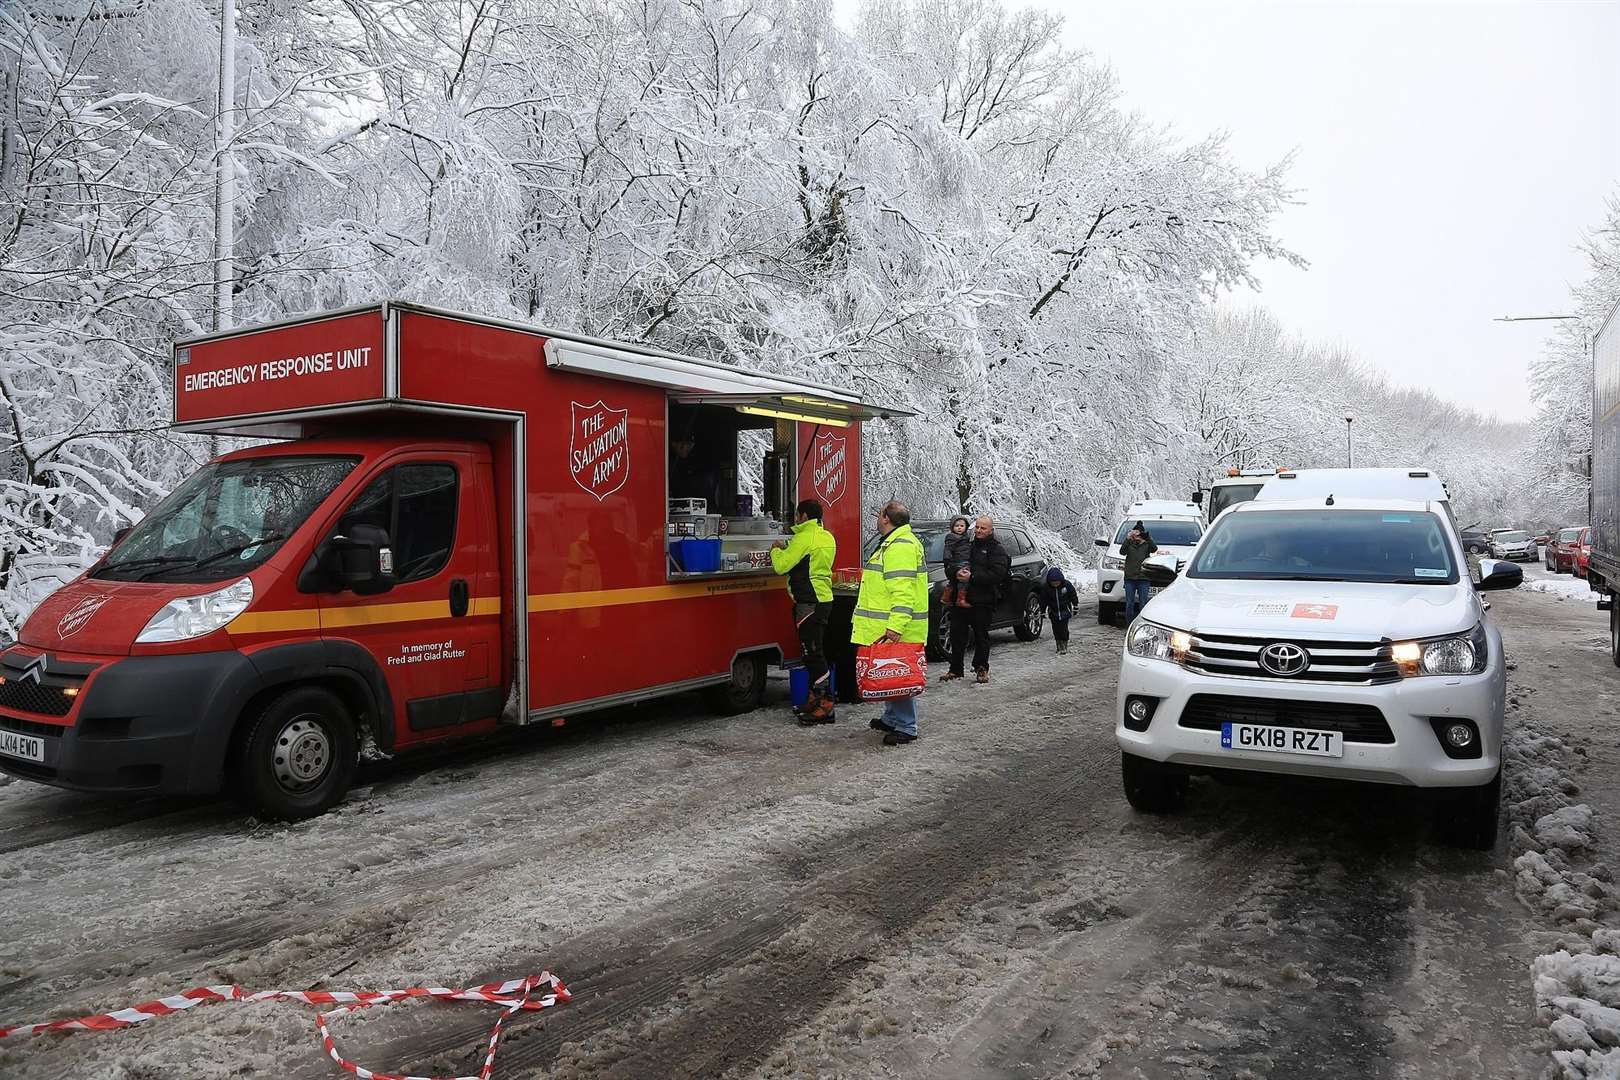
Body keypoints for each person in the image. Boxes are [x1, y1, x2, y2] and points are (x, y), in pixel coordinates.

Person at [852, 499, 928, 745]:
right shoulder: (894, 543)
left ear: (886, 518)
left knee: (899, 673)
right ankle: (892, 717)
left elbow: (902, 590)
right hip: (889, 625)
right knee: (889, 671)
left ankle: (906, 726)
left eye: (879, 514)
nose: (876, 518)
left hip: (897, 627)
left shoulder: (900, 546)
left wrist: (896, 625)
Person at [770, 499, 837, 726]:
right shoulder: (826, 536)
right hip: (823, 598)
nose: (795, 519)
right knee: (815, 652)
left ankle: (825, 706)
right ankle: (815, 699)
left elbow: (781, 566)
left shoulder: (803, 538)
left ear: (805, 516)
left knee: (812, 654)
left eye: (797, 515)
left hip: (809, 602)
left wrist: (776, 550)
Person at [944, 515, 1010, 684]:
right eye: (978, 527)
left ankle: (981, 668)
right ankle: (955, 669)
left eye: (983, 528)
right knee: (957, 634)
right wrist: (955, 573)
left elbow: (998, 575)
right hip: (961, 600)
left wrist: (972, 577)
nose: (979, 531)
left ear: (991, 530)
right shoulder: (968, 546)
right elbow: (953, 563)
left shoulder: (997, 549)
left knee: (981, 636)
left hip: (983, 600)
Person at [1035, 566, 1079, 654]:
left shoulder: (1066, 586)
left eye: (1057, 582)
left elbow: (1073, 595)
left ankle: (1064, 644)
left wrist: (1075, 605)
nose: (1055, 584)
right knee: (1056, 630)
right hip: (1053, 613)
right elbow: (1043, 601)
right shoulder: (1047, 588)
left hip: (1064, 612)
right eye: (1053, 583)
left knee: (1063, 629)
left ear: (1061, 580)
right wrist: (1042, 611)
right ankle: (1058, 644)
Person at [1121, 521, 1158, 624]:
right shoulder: (1129, 543)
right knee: (1129, 603)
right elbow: (1122, 552)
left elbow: (1154, 549)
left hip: (1144, 578)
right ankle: (1129, 624)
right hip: (1130, 578)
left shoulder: (1146, 544)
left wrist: (1147, 538)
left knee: (1143, 603)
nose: (1137, 535)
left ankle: (1141, 624)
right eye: (1135, 533)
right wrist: (1128, 539)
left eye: (1139, 533)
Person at [938, 516, 972, 610]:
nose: (959, 528)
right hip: (960, 562)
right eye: (957, 526)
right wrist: (947, 561)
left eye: (962, 526)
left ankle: (946, 597)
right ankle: (961, 599)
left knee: (953, 582)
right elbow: (947, 550)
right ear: (952, 527)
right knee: (964, 579)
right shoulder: (951, 538)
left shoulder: (967, 537)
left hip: (963, 561)